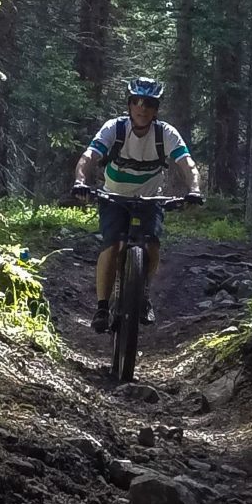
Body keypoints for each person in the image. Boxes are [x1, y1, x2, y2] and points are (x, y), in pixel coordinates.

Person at [71, 77, 202, 333]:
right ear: (129, 105)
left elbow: (187, 164)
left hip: (149, 200)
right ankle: (101, 306)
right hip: (113, 198)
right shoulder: (115, 129)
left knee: (151, 244)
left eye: (149, 103)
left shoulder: (165, 134)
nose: (142, 108)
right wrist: (80, 181)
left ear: (156, 109)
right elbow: (89, 156)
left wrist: (195, 189)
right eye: (136, 102)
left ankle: (142, 293)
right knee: (112, 245)